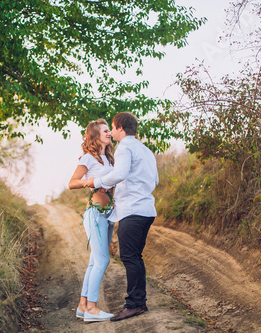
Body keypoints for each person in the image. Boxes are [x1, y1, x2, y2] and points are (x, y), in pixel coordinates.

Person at [85, 112, 158, 322]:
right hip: (146, 210)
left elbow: (120, 174)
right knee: (135, 256)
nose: (111, 132)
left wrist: (95, 182)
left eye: (113, 128)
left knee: (129, 257)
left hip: (132, 210)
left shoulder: (125, 147)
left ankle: (134, 304)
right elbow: (154, 180)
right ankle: (139, 302)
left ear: (120, 128)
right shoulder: (146, 150)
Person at [68, 118, 116, 322]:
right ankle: (93, 309)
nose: (109, 133)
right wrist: (92, 182)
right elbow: (71, 183)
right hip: (95, 213)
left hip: (109, 214)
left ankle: (82, 306)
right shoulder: (89, 158)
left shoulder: (111, 159)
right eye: (105, 131)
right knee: (103, 259)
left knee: (94, 261)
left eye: (109, 130)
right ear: (95, 136)